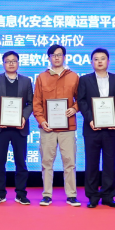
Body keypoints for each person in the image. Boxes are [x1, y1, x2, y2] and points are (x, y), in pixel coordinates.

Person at [76, 48, 115, 209]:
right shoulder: (84, 80)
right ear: (91, 62)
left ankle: (108, 196)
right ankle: (92, 196)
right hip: (91, 128)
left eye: (102, 58)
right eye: (96, 59)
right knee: (91, 163)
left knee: (109, 163)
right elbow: (81, 101)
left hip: (112, 128)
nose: (99, 61)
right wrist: (90, 119)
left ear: (108, 61)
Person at [33, 44, 81, 207]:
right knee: (47, 162)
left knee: (70, 162)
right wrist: (41, 120)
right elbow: (37, 102)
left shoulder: (74, 76)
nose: (57, 57)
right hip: (48, 128)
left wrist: (74, 108)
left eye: (59, 55)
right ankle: (47, 195)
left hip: (68, 127)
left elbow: (80, 99)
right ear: (49, 58)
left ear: (64, 57)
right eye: (53, 55)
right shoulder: (41, 77)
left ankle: (71, 195)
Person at [0, 50, 34, 205]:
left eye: (14, 61)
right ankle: (0, 194)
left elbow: (31, 103)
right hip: (0, 127)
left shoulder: (26, 81)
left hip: (19, 128)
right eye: (8, 61)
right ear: (3, 64)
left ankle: (21, 194)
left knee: (21, 163)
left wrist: (23, 117)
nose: (11, 63)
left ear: (18, 63)